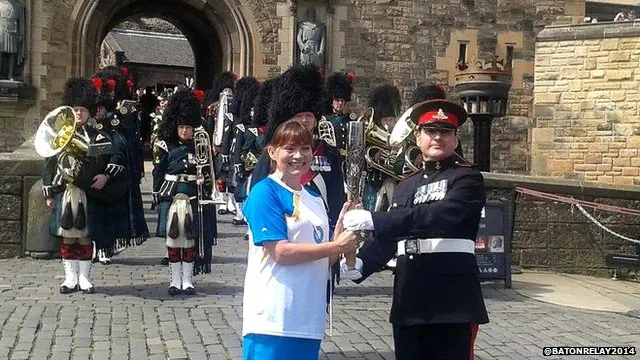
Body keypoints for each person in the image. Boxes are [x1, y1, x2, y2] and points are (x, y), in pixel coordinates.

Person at [340, 99, 489, 360]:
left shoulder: (467, 178)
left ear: (455, 140)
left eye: (445, 132)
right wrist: (361, 263)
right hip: (410, 297)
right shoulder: (406, 184)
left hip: (451, 300)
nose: (437, 138)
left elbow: (436, 217)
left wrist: (374, 219)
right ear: (418, 138)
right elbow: (395, 235)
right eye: (430, 132)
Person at [242, 120, 358, 360]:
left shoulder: (313, 197)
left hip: (308, 319)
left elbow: (323, 260)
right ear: (272, 152)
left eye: (305, 148)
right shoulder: (265, 192)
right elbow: (280, 253)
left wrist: (342, 231)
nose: (298, 155)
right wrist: (336, 245)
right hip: (273, 319)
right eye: (289, 149)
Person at [41, 77, 128, 294]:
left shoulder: (97, 136)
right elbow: (50, 163)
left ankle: (85, 277)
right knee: (68, 236)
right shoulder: (60, 136)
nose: (79, 114)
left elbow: (113, 157)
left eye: (82, 110)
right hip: (65, 190)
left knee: (85, 235)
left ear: (90, 112)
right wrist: (48, 192)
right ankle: (70, 278)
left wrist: (105, 176)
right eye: (75, 110)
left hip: (88, 192)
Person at [152, 89, 217, 295]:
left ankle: (187, 280)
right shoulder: (165, 145)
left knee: (190, 240)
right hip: (171, 192)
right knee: (172, 241)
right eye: (181, 127)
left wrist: (203, 180)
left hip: (192, 193)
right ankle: (174, 280)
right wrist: (157, 194)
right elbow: (158, 171)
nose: (184, 131)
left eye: (188, 127)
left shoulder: (200, 146)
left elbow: (209, 170)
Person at [230, 76, 260, 226]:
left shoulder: (261, 129)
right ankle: (239, 213)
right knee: (241, 192)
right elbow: (240, 149)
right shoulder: (243, 127)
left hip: (260, 166)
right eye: (252, 110)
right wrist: (239, 164)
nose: (253, 113)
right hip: (248, 165)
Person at [320, 72, 356, 155]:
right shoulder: (326, 119)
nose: (340, 103)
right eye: (337, 100)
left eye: (342, 101)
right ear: (332, 102)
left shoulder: (349, 119)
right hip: (332, 156)